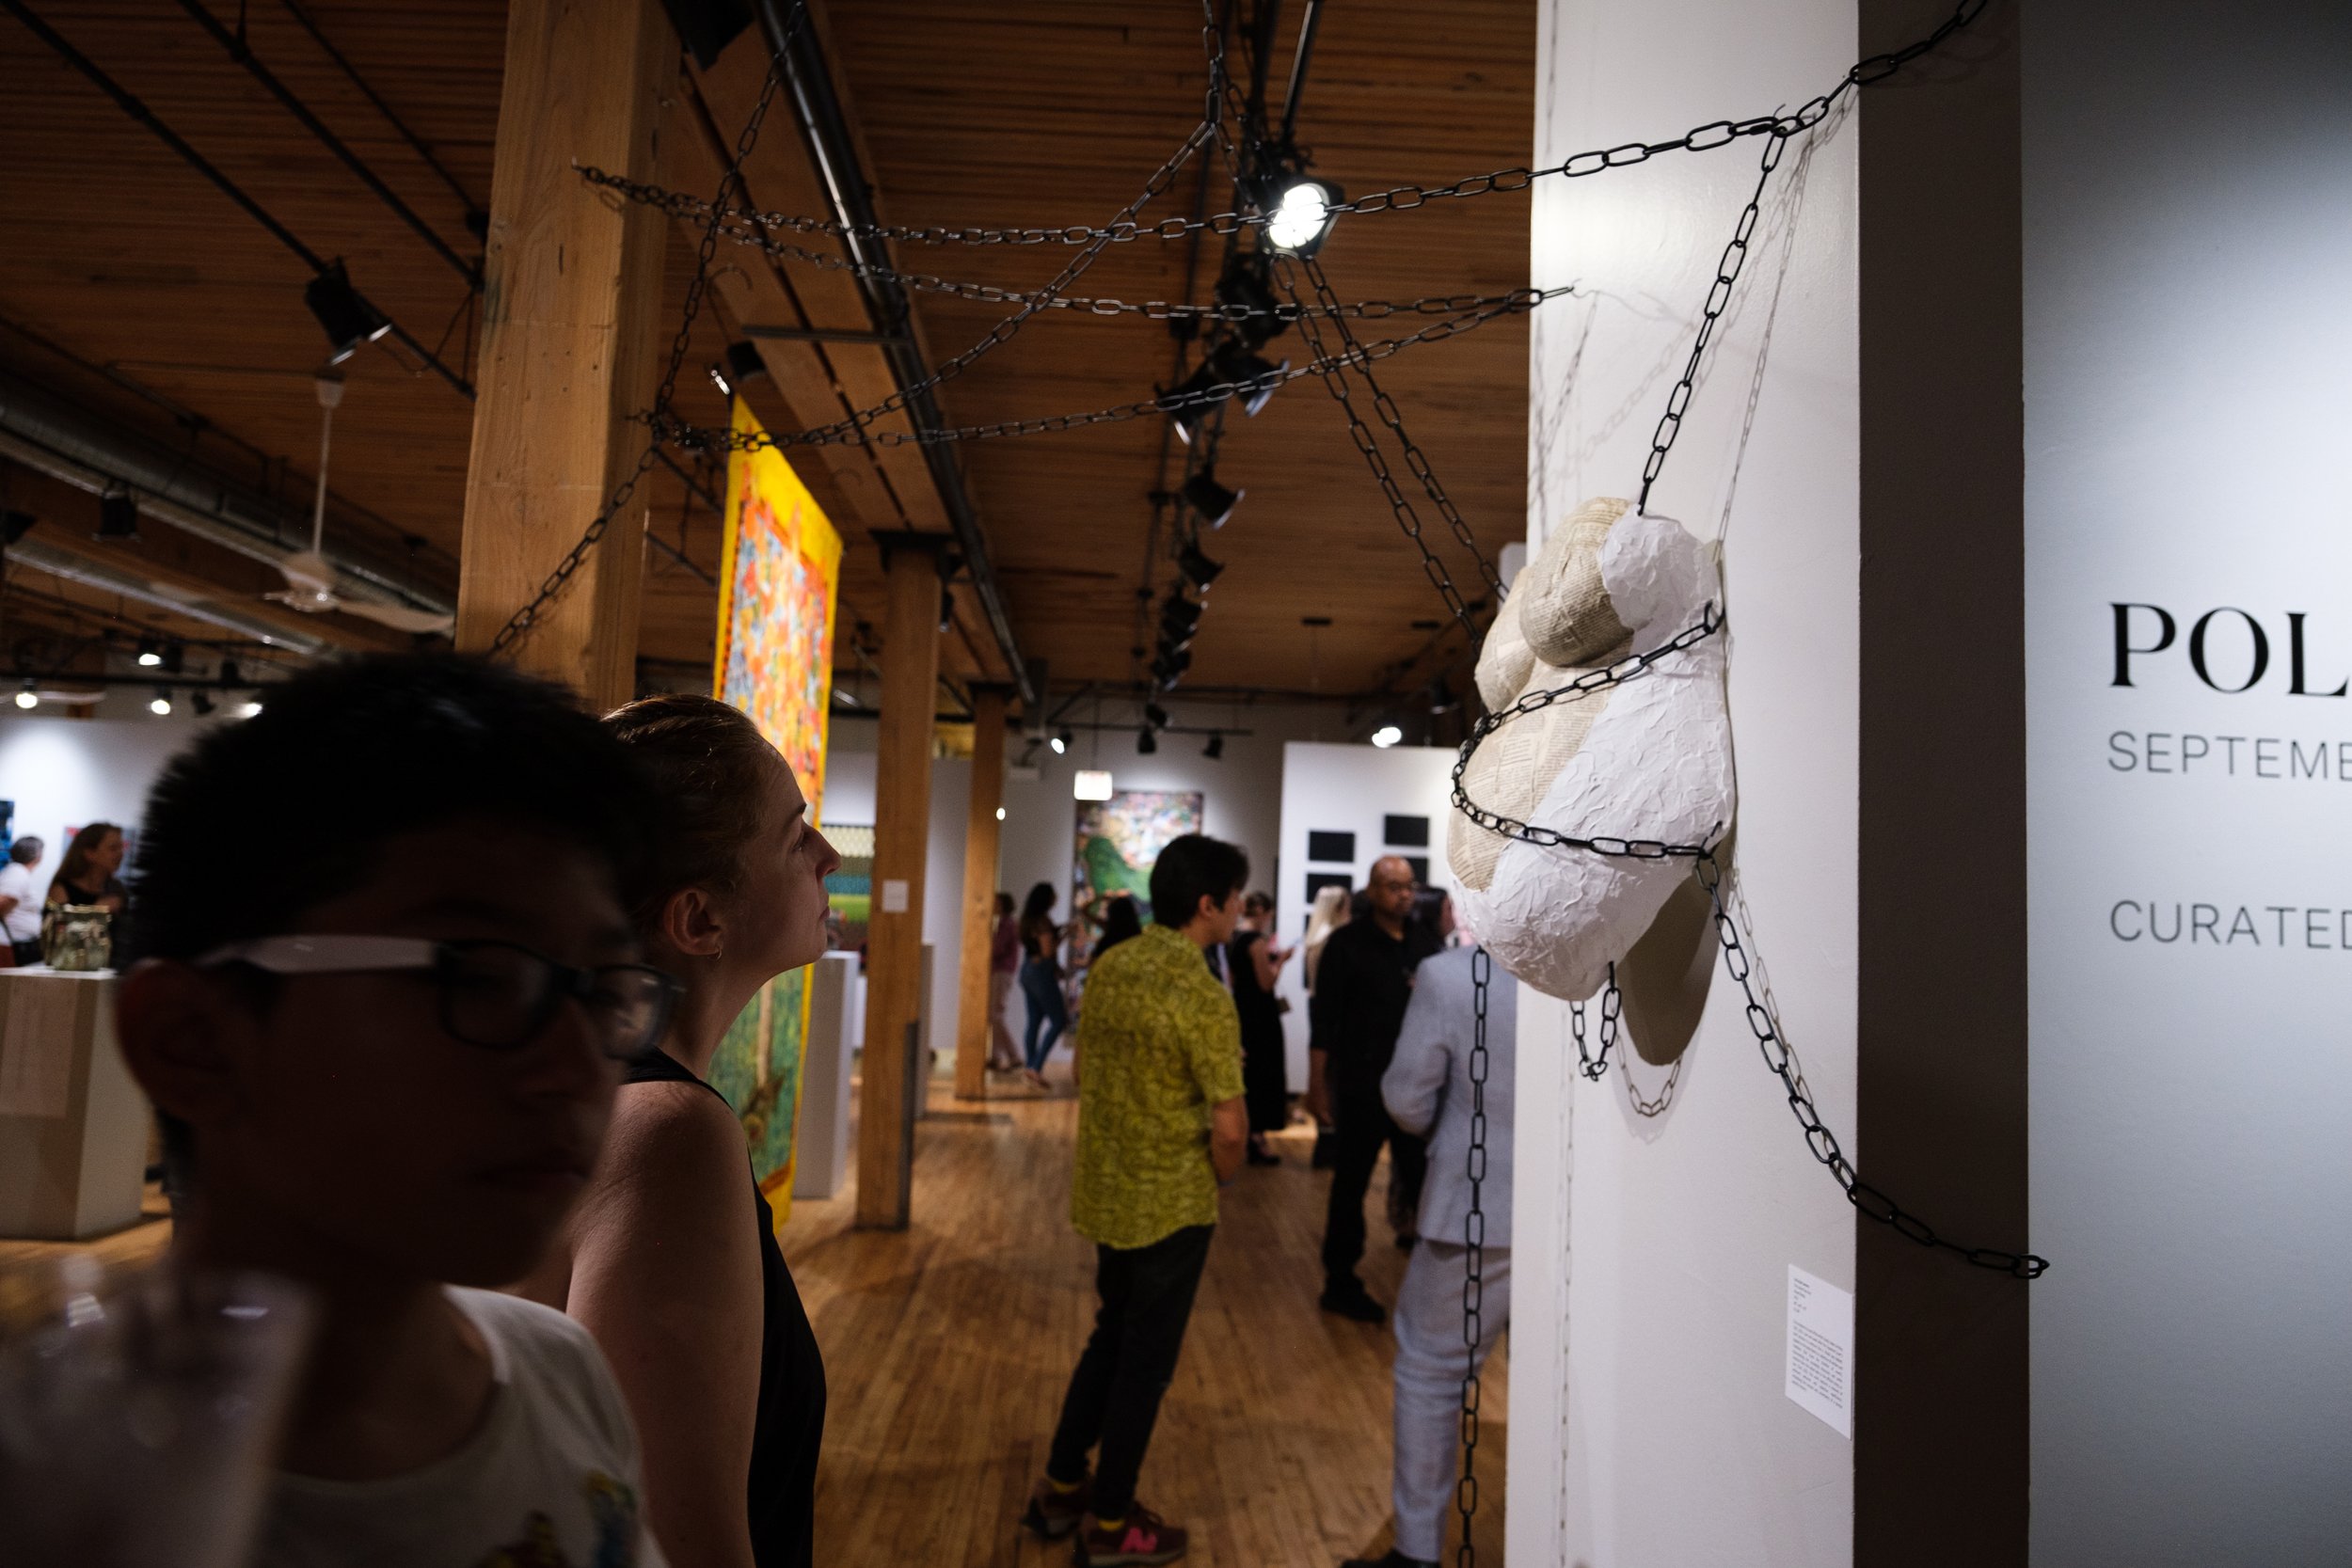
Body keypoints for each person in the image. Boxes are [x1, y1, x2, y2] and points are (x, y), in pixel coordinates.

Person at [110, 653, 671, 1567]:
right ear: (192, 1040)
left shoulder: (556, 1370)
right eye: (483, 976)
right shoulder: (54, 1476)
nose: (574, 1066)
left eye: (600, 990)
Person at [519, 695, 841, 1568]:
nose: (831, 856)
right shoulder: (668, 1134)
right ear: (700, 919)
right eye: (796, 836)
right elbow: (673, 1541)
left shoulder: (571, 1089)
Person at [1021, 834, 1249, 1565]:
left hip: (1110, 1195)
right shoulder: (1204, 995)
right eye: (1236, 898)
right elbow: (1232, 1128)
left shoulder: (1111, 965)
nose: (1241, 911)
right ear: (1208, 905)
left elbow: (1082, 1066)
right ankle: (1114, 1524)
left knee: (1109, 1335)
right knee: (1144, 1365)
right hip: (1173, 1206)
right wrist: (1219, 1172)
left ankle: (1061, 1488)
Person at [1342, 945, 1518, 1568]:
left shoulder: (1452, 975)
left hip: (1475, 1199)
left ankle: (1417, 1550)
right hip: (1577, 1209)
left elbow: (1406, 1097)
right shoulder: (1598, 961)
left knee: (1430, 1371)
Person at [1311, 856, 1435, 1323]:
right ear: (1372, 890)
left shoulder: (1426, 944)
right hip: (1362, 1085)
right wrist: (1317, 1085)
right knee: (1350, 1184)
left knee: (1423, 1182)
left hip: (1418, 1086)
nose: (1403, 894)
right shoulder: (1346, 945)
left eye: (1409, 886)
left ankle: (1429, 1284)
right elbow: (1325, 1019)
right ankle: (1339, 1279)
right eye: (1393, 886)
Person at [1226, 891, 1293, 1164]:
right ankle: (1257, 1138)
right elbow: (1266, 983)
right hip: (1261, 1016)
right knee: (1263, 1073)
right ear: (1264, 912)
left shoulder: (1233, 938)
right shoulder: (1256, 942)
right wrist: (1282, 962)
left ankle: (1246, 1133)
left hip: (1241, 1011)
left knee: (1247, 1074)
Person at [1019, 881, 1069, 1088]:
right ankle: (1036, 1066)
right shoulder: (1042, 922)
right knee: (1059, 1020)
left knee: (1034, 1021)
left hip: (1028, 970)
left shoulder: (1028, 921)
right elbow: (1048, 951)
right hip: (1041, 974)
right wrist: (1065, 935)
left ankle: (1031, 1066)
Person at [46, 820, 127, 913]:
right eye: (113, 848)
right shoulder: (60, 890)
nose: (120, 854)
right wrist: (96, 910)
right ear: (90, 853)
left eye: (121, 848)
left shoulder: (116, 889)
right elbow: (53, 924)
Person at [989, 891, 1023, 1071]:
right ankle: (996, 1056)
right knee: (994, 1015)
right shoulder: (1005, 924)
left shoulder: (1008, 925)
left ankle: (1013, 1055)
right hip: (1000, 971)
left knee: (996, 1015)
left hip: (1002, 971)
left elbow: (998, 949)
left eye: (995, 903)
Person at [0, 836, 44, 965]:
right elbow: (4, 900)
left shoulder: (16, 871)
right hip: (9, 945)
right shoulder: (17, 872)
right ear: (37, 855)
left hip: (15, 944)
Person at [1095, 893, 1143, 957]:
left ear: (1112, 915)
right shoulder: (1138, 933)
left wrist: (1100, 897)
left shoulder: (1109, 929)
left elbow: (1084, 910)